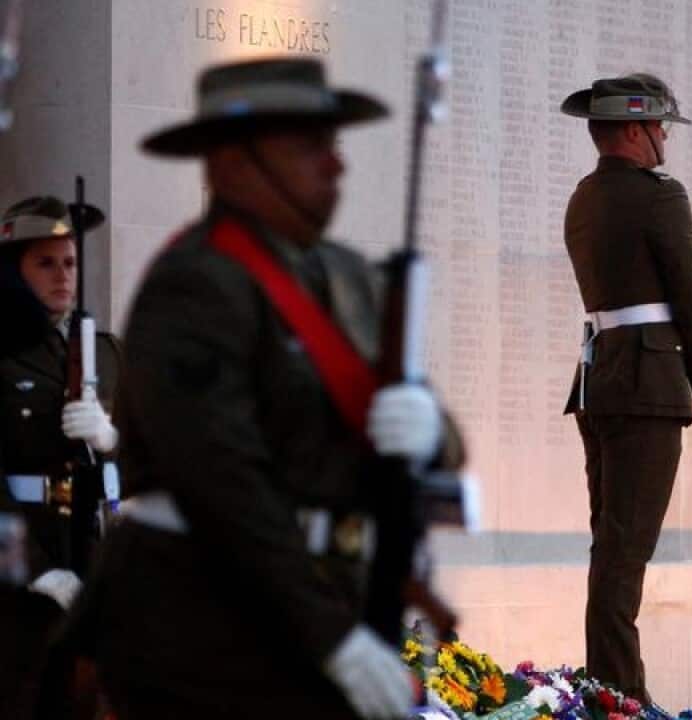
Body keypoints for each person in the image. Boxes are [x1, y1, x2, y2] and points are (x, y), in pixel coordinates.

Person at [79, 57, 463, 720]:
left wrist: (431, 429)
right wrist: (332, 640)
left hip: (312, 607)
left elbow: (436, 430)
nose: (336, 165)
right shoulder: (194, 285)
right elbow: (223, 484)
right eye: (308, 147)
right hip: (200, 626)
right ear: (231, 165)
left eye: (333, 144)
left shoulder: (346, 274)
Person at [559, 72, 692, 703]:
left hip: (602, 381)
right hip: (647, 389)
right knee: (625, 559)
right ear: (634, 129)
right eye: (660, 124)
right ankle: (617, 700)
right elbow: (687, 303)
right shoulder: (660, 197)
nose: (666, 136)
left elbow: (643, 280)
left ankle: (614, 693)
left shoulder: (585, 197)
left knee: (610, 551)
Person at [0, 195, 119, 720]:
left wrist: (112, 438)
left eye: (69, 262)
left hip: (95, 562)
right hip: (19, 578)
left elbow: (159, 455)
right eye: (44, 263)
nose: (62, 276)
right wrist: (38, 570)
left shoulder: (108, 353)